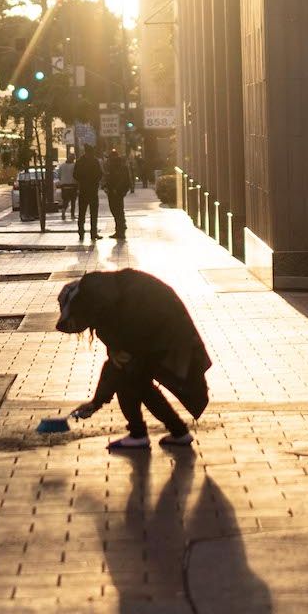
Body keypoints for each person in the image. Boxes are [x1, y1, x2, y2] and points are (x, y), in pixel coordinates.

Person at [54, 269, 211, 451]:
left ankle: (142, 435)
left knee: (130, 380)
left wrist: (96, 402)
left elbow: (116, 364)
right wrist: (97, 401)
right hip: (163, 328)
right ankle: (176, 432)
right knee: (136, 379)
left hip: (159, 331)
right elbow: (116, 360)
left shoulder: (105, 307)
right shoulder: (102, 297)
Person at [72, 145, 102, 242]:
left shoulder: (80, 162)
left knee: (82, 213)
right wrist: (95, 181)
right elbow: (99, 174)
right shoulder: (95, 161)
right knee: (93, 213)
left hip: (83, 190)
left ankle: (81, 232)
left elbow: (75, 175)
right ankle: (93, 233)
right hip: (92, 190)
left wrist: (82, 180)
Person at [104, 149, 132, 240]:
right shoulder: (116, 165)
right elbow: (108, 177)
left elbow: (122, 179)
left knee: (116, 210)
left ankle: (120, 230)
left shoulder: (118, 166)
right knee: (118, 210)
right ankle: (120, 228)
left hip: (115, 192)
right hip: (114, 191)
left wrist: (116, 189)